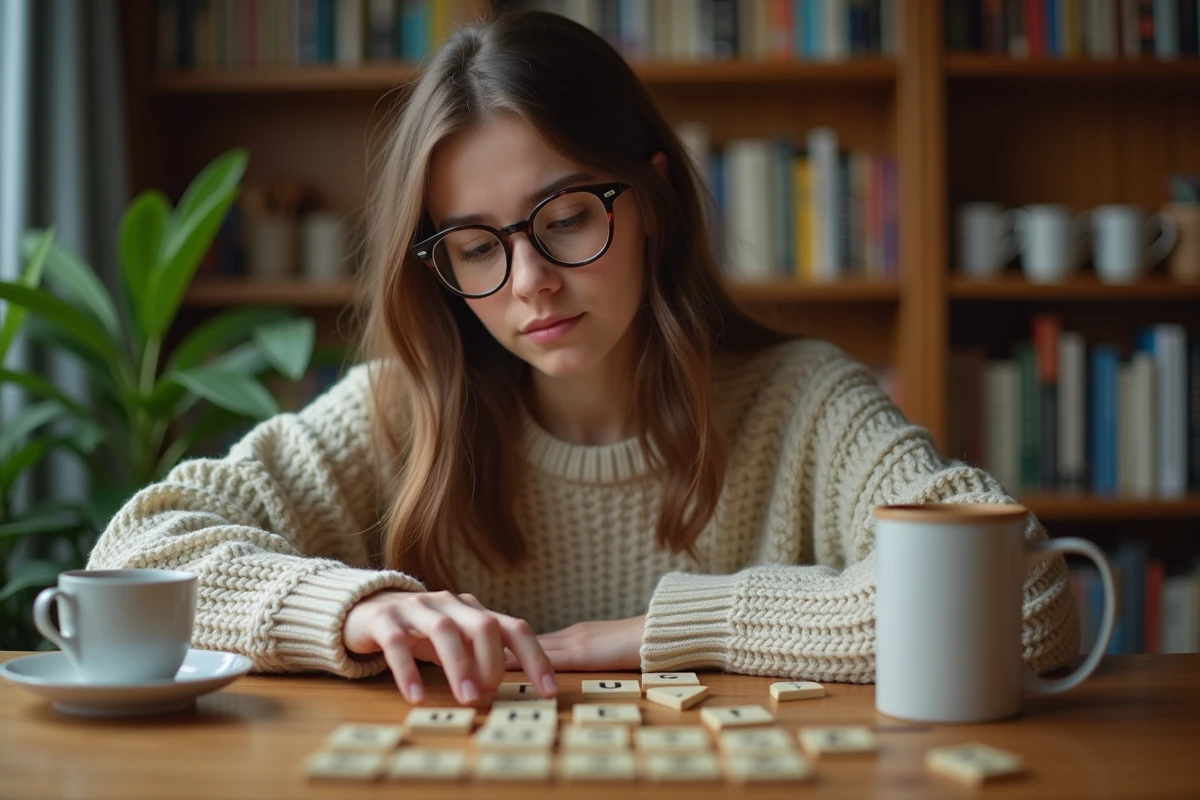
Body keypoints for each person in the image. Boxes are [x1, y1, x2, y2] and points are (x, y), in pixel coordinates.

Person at [87, 10, 1079, 707]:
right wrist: (354, 607)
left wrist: (661, 630)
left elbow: (1028, 598)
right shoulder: (399, 411)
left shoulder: (804, 401)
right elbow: (135, 555)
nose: (529, 282)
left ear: (652, 199)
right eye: (475, 245)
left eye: (565, 218)